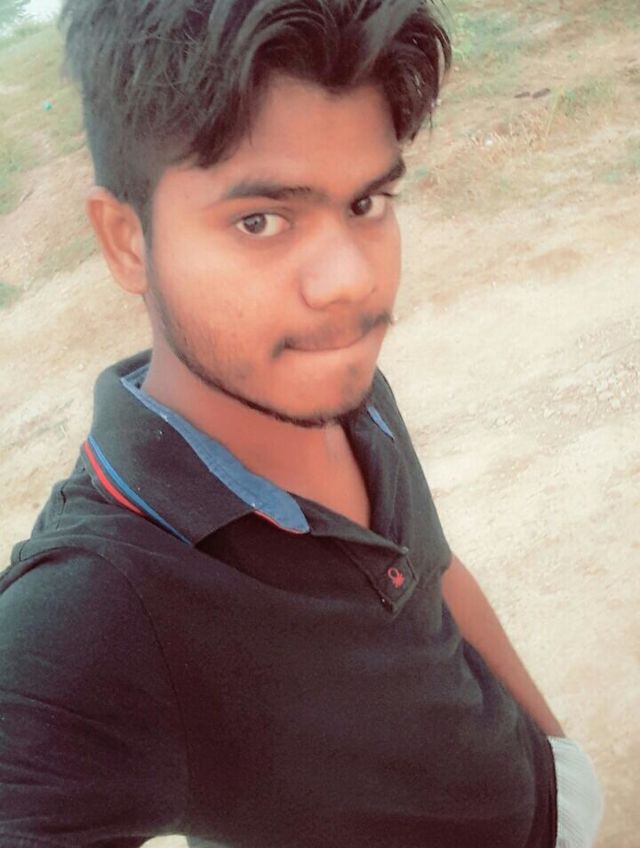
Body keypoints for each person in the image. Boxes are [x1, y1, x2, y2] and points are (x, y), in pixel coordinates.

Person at [0, 2, 603, 846]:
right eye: (261, 220)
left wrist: (558, 755)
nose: (349, 282)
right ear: (127, 240)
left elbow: (436, 577)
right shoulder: (94, 607)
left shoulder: (349, 390)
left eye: (367, 202)